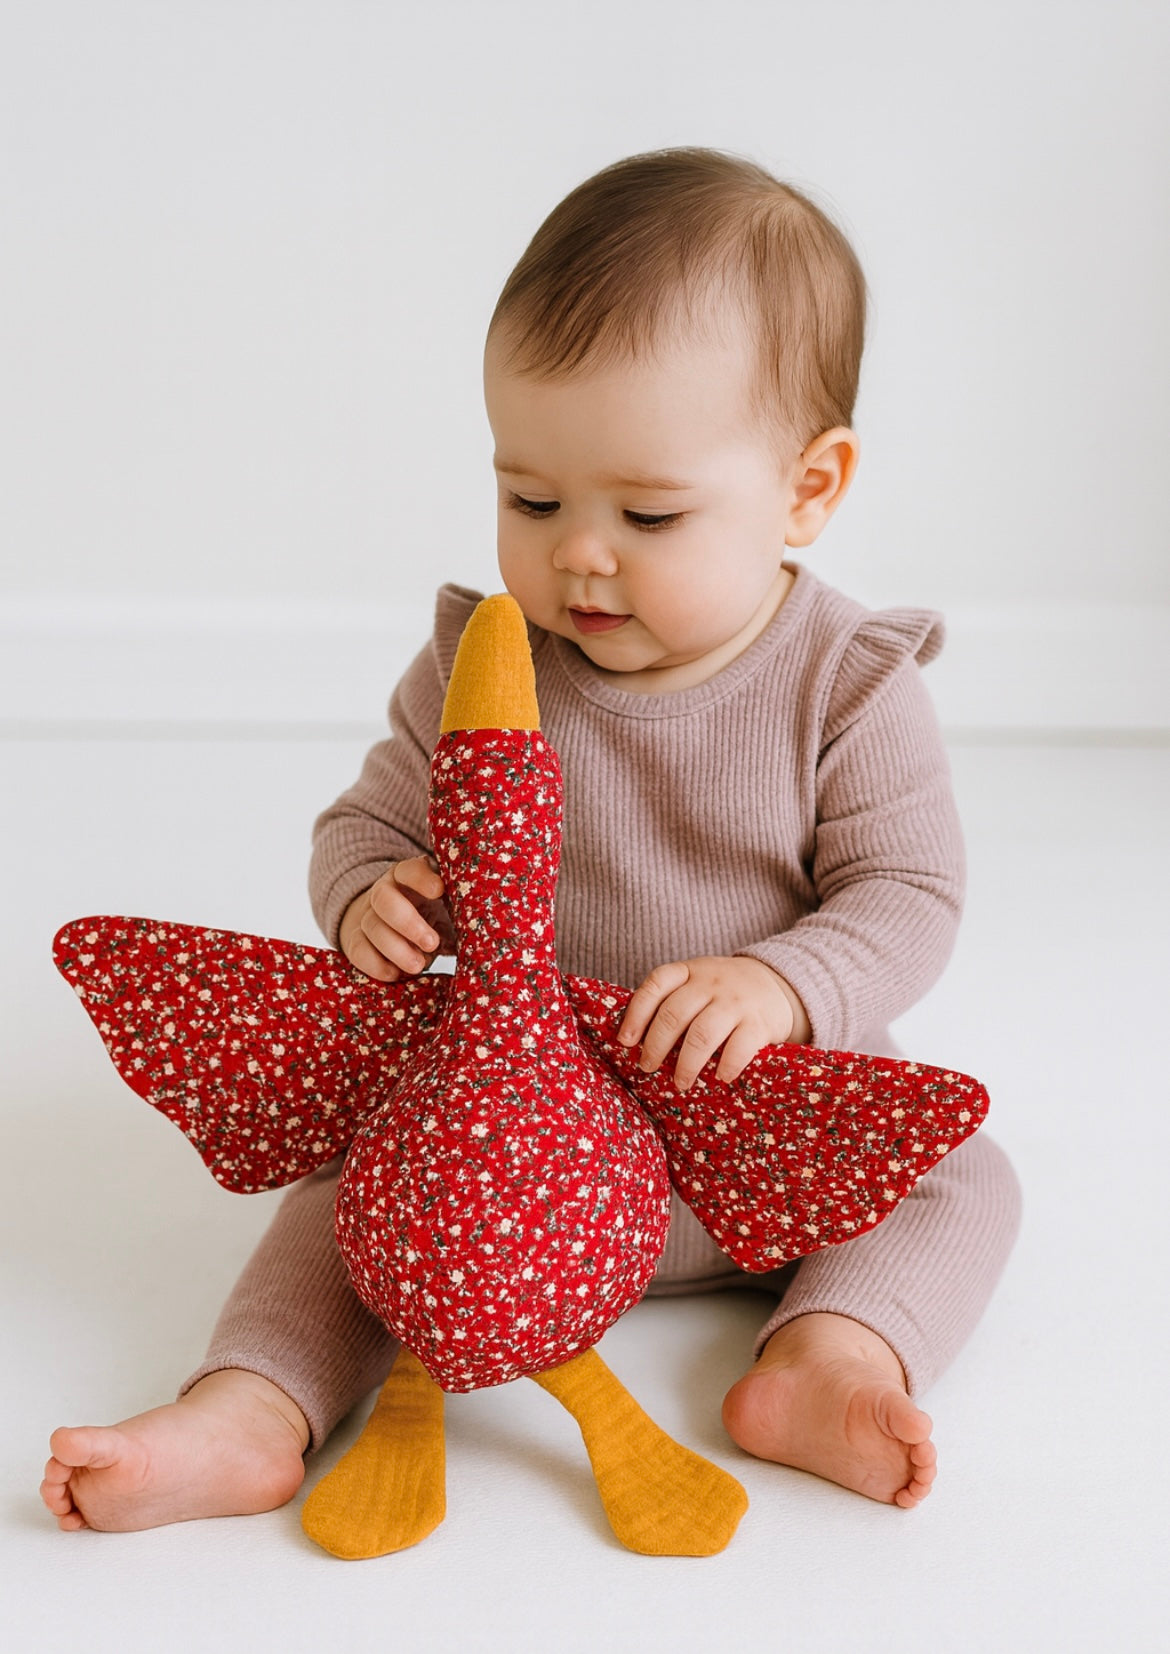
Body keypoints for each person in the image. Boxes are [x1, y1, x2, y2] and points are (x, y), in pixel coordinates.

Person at [41, 147, 1020, 1534]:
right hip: (506, 1160)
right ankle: (252, 1406)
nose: (580, 556)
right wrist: (368, 893)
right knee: (344, 1187)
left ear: (808, 487)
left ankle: (827, 1357)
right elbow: (370, 818)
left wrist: (784, 984)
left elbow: (908, 893)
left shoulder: (847, 682)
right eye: (532, 499)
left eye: (648, 513)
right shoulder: (484, 661)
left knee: (957, 1176)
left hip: (739, 1138)